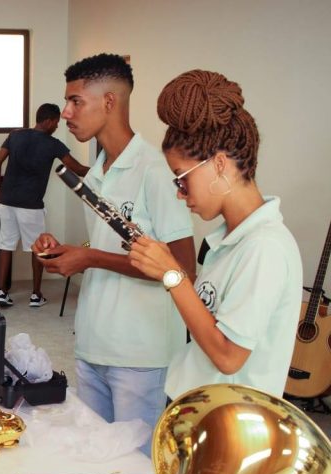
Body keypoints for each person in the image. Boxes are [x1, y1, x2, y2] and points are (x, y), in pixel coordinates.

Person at [32, 53, 195, 455]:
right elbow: (108, 247)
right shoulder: (99, 169)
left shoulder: (155, 170)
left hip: (140, 354)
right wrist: (69, 252)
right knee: (99, 462)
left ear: (109, 102)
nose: (67, 112)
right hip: (94, 341)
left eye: (76, 101)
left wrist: (89, 260)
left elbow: (182, 268)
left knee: (137, 472)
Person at [128, 69, 302, 400]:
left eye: (181, 178)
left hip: (232, 429)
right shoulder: (228, 240)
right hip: (197, 409)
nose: (179, 193)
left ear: (219, 164)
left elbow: (227, 356)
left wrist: (173, 275)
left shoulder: (265, 247)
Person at [0, 103, 89, 308]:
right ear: (49, 121)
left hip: (7, 200)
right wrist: (101, 170)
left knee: (5, 245)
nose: (56, 127)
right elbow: (77, 168)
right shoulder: (53, 144)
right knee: (37, 249)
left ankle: (1, 292)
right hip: (30, 205)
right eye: (55, 123)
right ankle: (36, 295)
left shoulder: (15, 136)